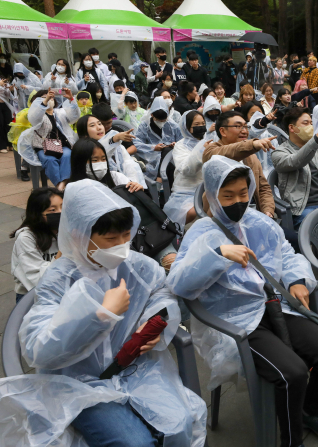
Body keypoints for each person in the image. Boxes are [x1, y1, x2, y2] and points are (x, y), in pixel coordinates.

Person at [166, 156, 318, 447]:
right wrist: (217, 254)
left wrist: (297, 279)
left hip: (273, 305)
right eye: (227, 196)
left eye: (243, 193)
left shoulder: (258, 222)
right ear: (211, 195)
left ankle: (309, 411)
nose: (238, 201)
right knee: (293, 372)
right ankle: (291, 439)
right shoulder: (200, 233)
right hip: (235, 320)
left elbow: (286, 253)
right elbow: (178, 284)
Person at [15, 179, 207, 446]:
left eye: (126, 235)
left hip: (135, 368)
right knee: (134, 443)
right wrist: (98, 315)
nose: (121, 245)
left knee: (178, 426)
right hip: (79, 382)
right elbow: (38, 349)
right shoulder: (59, 279)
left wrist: (152, 320)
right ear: (78, 235)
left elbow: (161, 292)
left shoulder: (137, 267)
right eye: (110, 239)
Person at [272, 107, 318, 229]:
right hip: (302, 210)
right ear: (292, 128)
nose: (310, 127)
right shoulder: (279, 152)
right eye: (305, 123)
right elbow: (296, 161)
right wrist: (317, 138)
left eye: (311, 123)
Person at [202, 111, 276, 218]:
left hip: (252, 214)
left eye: (246, 127)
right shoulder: (211, 151)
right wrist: (252, 144)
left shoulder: (251, 157)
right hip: (222, 217)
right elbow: (229, 152)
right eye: (238, 126)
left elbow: (263, 188)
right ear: (223, 131)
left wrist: (267, 211)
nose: (245, 131)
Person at [10, 187, 62, 302]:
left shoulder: (62, 230)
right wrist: (64, 251)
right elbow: (37, 280)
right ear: (37, 214)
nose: (60, 212)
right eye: (52, 210)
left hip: (60, 289)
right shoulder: (26, 239)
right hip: (30, 296)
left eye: (63, 207)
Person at [21, 88, 78, 188]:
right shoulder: (37, 115)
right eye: (44, 97)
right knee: (50, 160)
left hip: (62, 145)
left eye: (51, 97)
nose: (49, 98)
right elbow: (34, 118)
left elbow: (74, 116)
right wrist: (45, 101)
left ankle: (62, 185)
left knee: (67, 156)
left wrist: (71, 100)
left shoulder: (60, 112)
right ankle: (60, 186)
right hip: (42, 146)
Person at [76, 112, 145, 186]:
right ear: (84, 132)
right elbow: (103, 148)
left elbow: (130, 168)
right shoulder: (81, 150)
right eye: (92, 125)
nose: (99, 128)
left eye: (99, 124)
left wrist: (134, 184)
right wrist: (115, 138)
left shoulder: (118, 147)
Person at [163, 111, 207, 229]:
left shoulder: (211, 141)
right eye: (196, 125)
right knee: (192, 212)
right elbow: (188, 170)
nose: (201, 127)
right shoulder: (180, 146)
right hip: (186, 191)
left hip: (208, 189)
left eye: (203, 123)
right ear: (187, 128)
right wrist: (202, 148)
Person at [134, 97, 183, 181]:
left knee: (167, 152)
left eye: (164, 120)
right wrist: (153, 148)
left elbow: (182, 142)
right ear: (152, 115)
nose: (161, 122)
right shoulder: (144, 126)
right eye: (158, 120)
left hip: (171, 158)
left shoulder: (173, 126)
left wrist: (175, 145)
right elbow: (136, 143)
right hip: (150, 160)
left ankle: (160, 180)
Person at [68, 137, 143, 191]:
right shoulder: (74, 190)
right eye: (95, 160)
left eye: (103, 159)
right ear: (79, 162)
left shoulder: (116, 177)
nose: (100, 163)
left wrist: (137, 189)